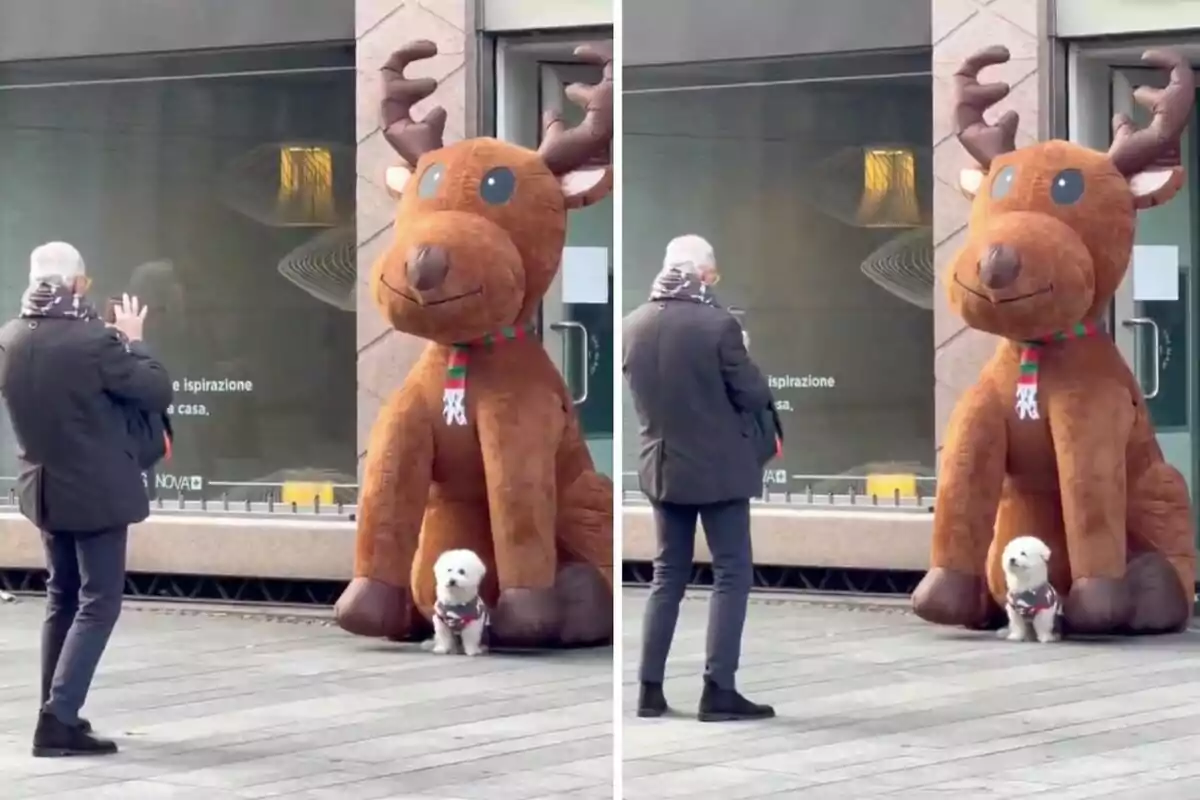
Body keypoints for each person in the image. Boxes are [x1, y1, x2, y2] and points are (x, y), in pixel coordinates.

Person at [0, 242, 173, 757]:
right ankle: (58, 719)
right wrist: (135, 340)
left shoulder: (10, 338)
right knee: (100, 601)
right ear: (78, 284)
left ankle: (58, 712)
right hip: (97, 492)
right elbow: (155, 391)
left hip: (46, 491)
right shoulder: (95, 341)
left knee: (63, 597)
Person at [623, 234, 777, 722]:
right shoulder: (718, 325)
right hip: (719, 469)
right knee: (732, 572)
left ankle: (649, 690)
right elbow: (751, 394)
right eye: (714, 274)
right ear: (703, 274)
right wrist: (746, 355)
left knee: (667, 574)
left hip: (663, 466)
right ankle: (718, 690)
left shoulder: (634, 324)